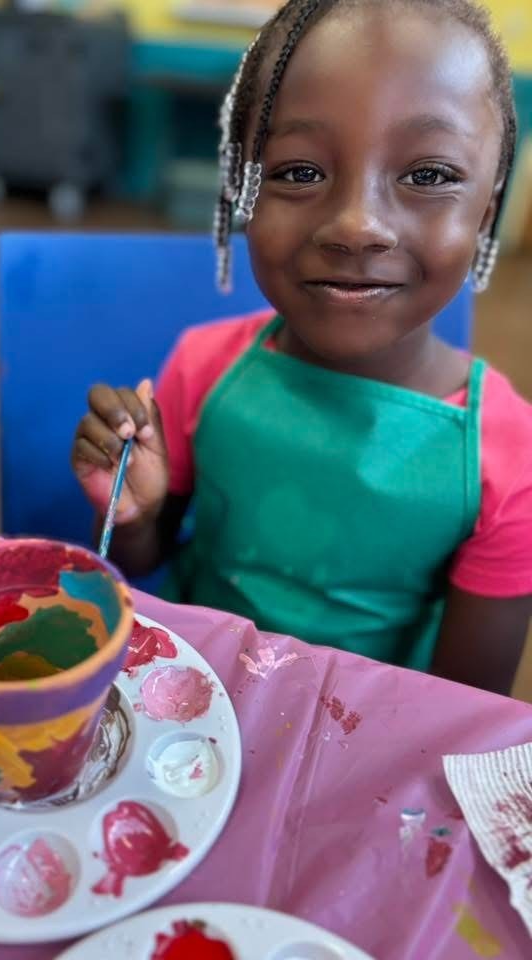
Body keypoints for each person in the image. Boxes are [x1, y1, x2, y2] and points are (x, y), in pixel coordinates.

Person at [72, 0, 532, 695]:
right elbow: (146, 562)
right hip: (192, 705)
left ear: (487, 208)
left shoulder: (512, 462)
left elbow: (463, 708)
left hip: (365, 747)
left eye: (429, 175)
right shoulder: (202, 367)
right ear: (241, 194)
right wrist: (131, 513)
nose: (358, 225)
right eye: (299, 172)